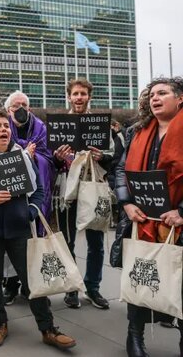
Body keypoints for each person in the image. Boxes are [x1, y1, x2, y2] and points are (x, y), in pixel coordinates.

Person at [0, 110, 76, 350]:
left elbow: (39, 190)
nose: (4, 130)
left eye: (6, 126)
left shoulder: (22, 157)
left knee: (32, 280)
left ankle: (48, 328)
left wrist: (30, 212)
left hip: (19, 230)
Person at [115, 77, 183, 357]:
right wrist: (127, 203)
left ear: (180, 98)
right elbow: (120, 170)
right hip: (141, 221)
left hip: (177, 224)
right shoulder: (138, 131)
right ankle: (134, 337)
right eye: (152, 94)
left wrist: (181, 212)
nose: (155, 98)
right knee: (140, 278)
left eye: (163, 93)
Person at [53, 78, 114, 310]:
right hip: (69, 188)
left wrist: (103, 157)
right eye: (75, 93)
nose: (79, 97)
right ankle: (71, 289)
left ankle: (93, 288)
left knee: (96, 241)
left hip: (93, 186)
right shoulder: (61, 124)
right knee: (68, 241)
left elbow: (113, 156)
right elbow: (52, 158)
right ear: (69, 96)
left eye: (83, 94)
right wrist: (58, 157)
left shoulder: (102, 125)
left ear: (89, 97)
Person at [2, 91, 54, 304]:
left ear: (30, 108)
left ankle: (32, 284)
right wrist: (23, 152)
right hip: (12, 192)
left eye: (24, 104)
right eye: (16, 105)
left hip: (36, 191)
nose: (20, 108)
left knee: (34, 239)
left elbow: (49, 156)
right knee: (13, 239)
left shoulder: (42, 128)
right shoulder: (3, 127)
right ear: (8, 110)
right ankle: (12, 284)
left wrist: (33, 157)